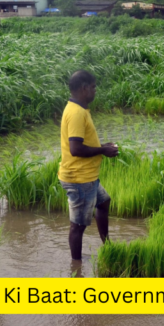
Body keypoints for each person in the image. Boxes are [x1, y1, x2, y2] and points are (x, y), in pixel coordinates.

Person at [58, 70, 119, 261]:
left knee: (104, 202)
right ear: (84, 88)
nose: (95, 91)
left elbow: (82, 144)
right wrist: (102, 151)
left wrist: (102, 146)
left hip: (87, 177)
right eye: (93, 87)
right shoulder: (76, 113)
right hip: (80, 179)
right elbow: (76, 149)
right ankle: (76, 267)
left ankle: (107, 246)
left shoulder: (79, 109)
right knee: (78, 226)